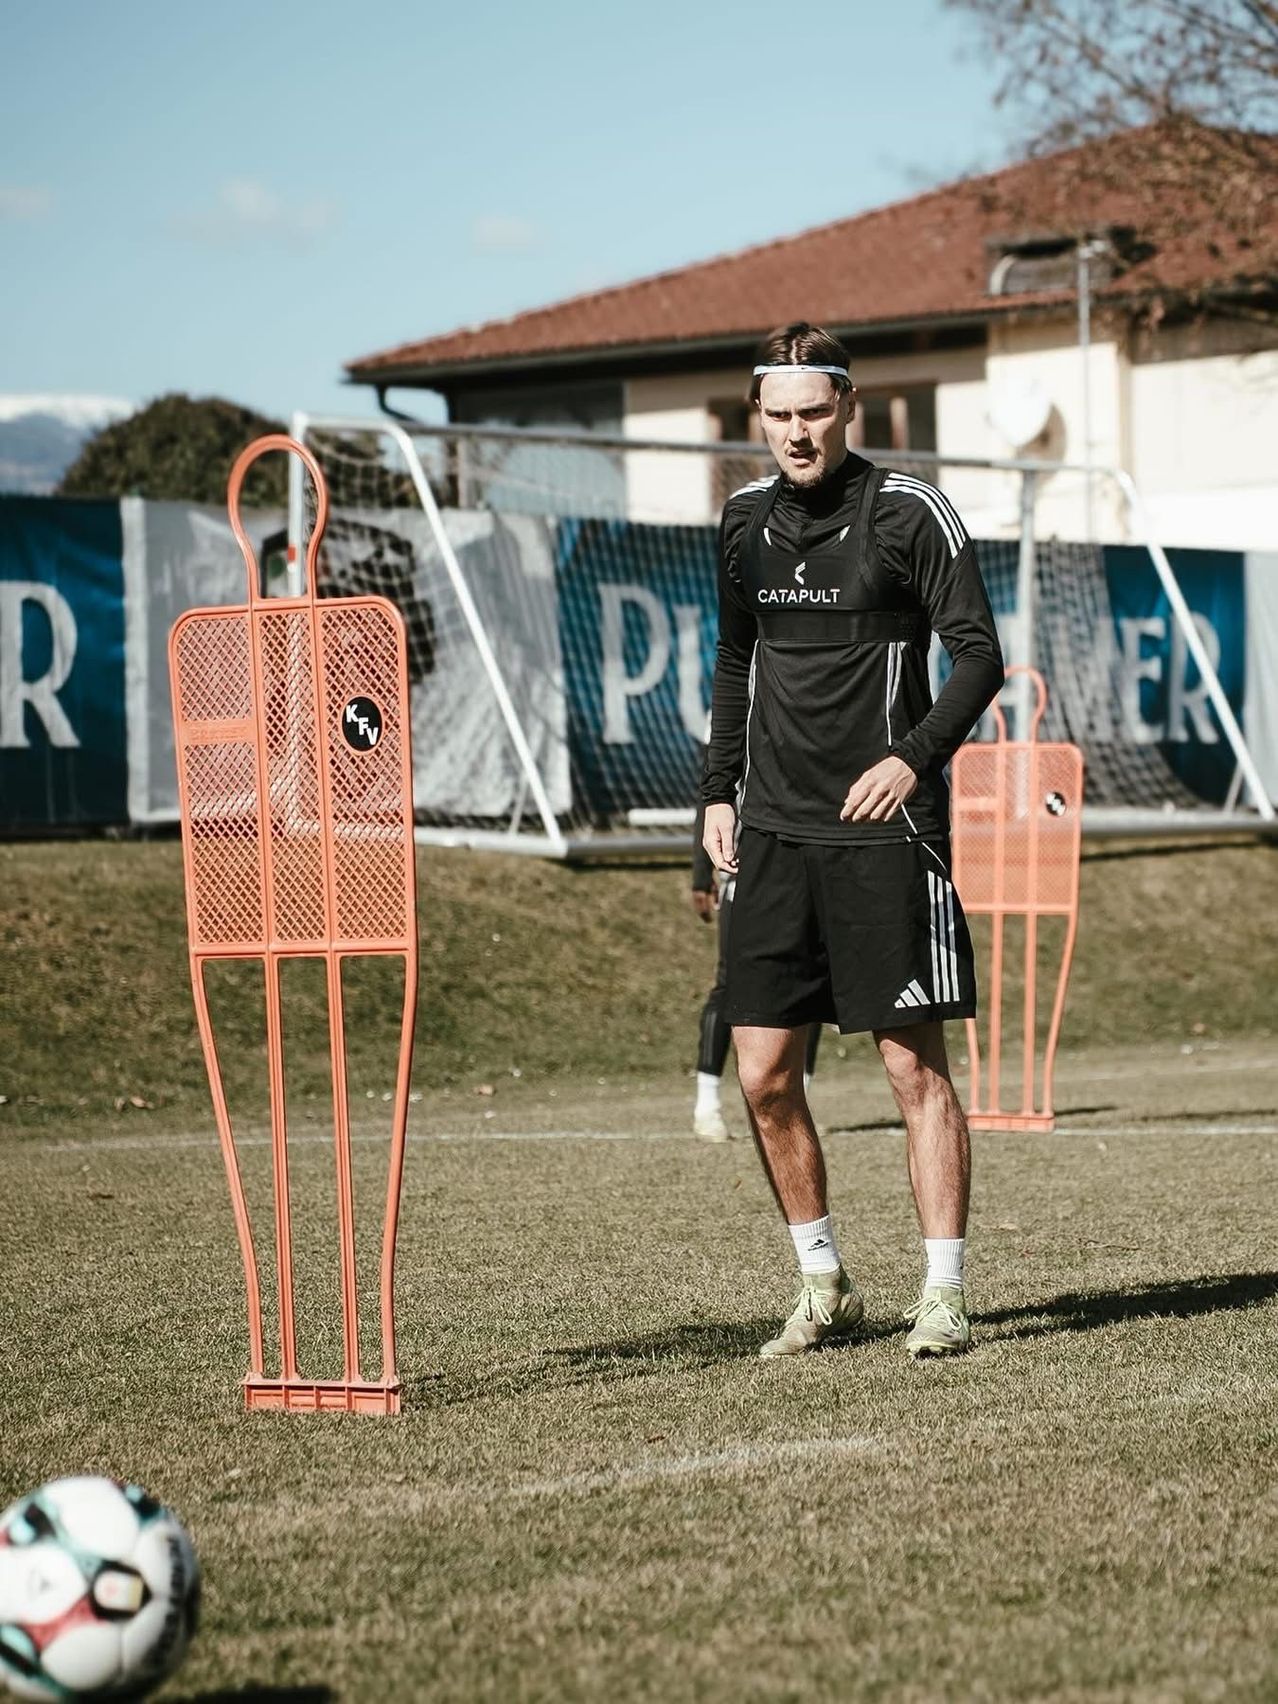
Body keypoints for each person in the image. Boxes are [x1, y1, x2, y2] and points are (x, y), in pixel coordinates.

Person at [701, 322, 1004, 1360]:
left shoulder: (908, 512)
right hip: (773, 833)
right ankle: (823, 1281)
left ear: (849, 409)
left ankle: (945, 1294)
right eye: (778, 415)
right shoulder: (741, 524)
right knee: (762, 1076)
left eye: (814, 412)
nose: (796, 433)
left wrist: (913, 757)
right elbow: (735, 661)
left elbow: (977, 658)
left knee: (911, 1072)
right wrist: (715, 795)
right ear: (759, 415)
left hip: (887, 835)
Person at [690, 797, 819, 1143]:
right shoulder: (740, 744)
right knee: (728, 983)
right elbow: (713, 791)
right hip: (749, 876)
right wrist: (702, 875)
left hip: (814, 871)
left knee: (814, 984)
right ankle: (707, 1104)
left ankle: (798, 1101)